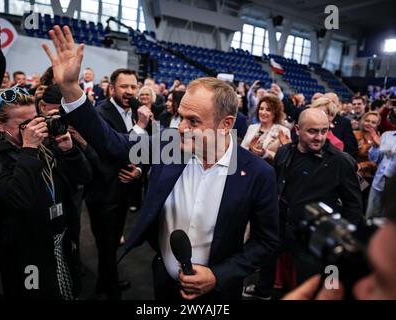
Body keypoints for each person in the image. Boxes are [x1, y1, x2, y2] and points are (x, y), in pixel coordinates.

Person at [42, 25, 280, 300]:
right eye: (181, 117)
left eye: (194, 122)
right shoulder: (170, 145)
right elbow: (113, 144)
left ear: (226, 124)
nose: (181, 127)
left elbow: (266, 242)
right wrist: (71, 89)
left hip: (219, 293)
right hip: (163, 282)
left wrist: (218, 275)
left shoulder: (257, 173)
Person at [0, 86, 92, 299]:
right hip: (26, 254)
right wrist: (29, 148)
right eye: (23, 124)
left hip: (59, 241)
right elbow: (19, 201)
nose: (33, 128)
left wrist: (69, 151)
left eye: (35, 120)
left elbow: (83, 179)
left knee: (66, 291)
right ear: (1, 125)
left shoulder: (46, 147)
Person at [283, 159, 396, 300]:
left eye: (382, 282)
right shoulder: (373, 240)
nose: (360, 288)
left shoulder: (341, 161)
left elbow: (353, 204)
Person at [274, 108, 363, 284]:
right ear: (297, 130)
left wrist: (339, 239)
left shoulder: (341, 161)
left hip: (316, 241)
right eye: (312, 131)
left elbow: (354, 206)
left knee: (313, 289)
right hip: (283, 232)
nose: (320, 137)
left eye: (324, 131)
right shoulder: (284, 152)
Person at [83, 68, 144, 299]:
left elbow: (146, 151)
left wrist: (138, 170)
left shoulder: (138, 112)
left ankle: (105, 282)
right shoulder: (100, 114)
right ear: (111, 89)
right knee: (106, 245)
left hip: (123, 192)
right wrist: (139, 128)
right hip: (103, 192)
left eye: (133, 86)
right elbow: (111, 153)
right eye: (124, 86)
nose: (129, 91)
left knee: (111, 244)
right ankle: (111, 290)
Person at [366, 108, 396, 219]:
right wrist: (375, 146)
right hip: (377, 184)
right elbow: (374, 158)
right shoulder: (386, 135)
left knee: (387, 221)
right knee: (370, 218)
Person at [241, 95, 291, 163]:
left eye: (268, 110)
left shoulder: (283, 131)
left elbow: (284, 157)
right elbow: (242, 148)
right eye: (261, 109)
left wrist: (265, 154)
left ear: (275, 113)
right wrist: (250, 149)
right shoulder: (252, 127)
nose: (263, 112)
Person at [353, 111, 381, 206]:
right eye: (367, 120)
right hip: (354, 174)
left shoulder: (380, 138)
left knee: (364, 203)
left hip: (371, 177)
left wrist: (362, 165)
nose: (369, 124)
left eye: (373, 122)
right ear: (363, 121)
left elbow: (378, 161)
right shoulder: (354, 134)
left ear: (377, 125)